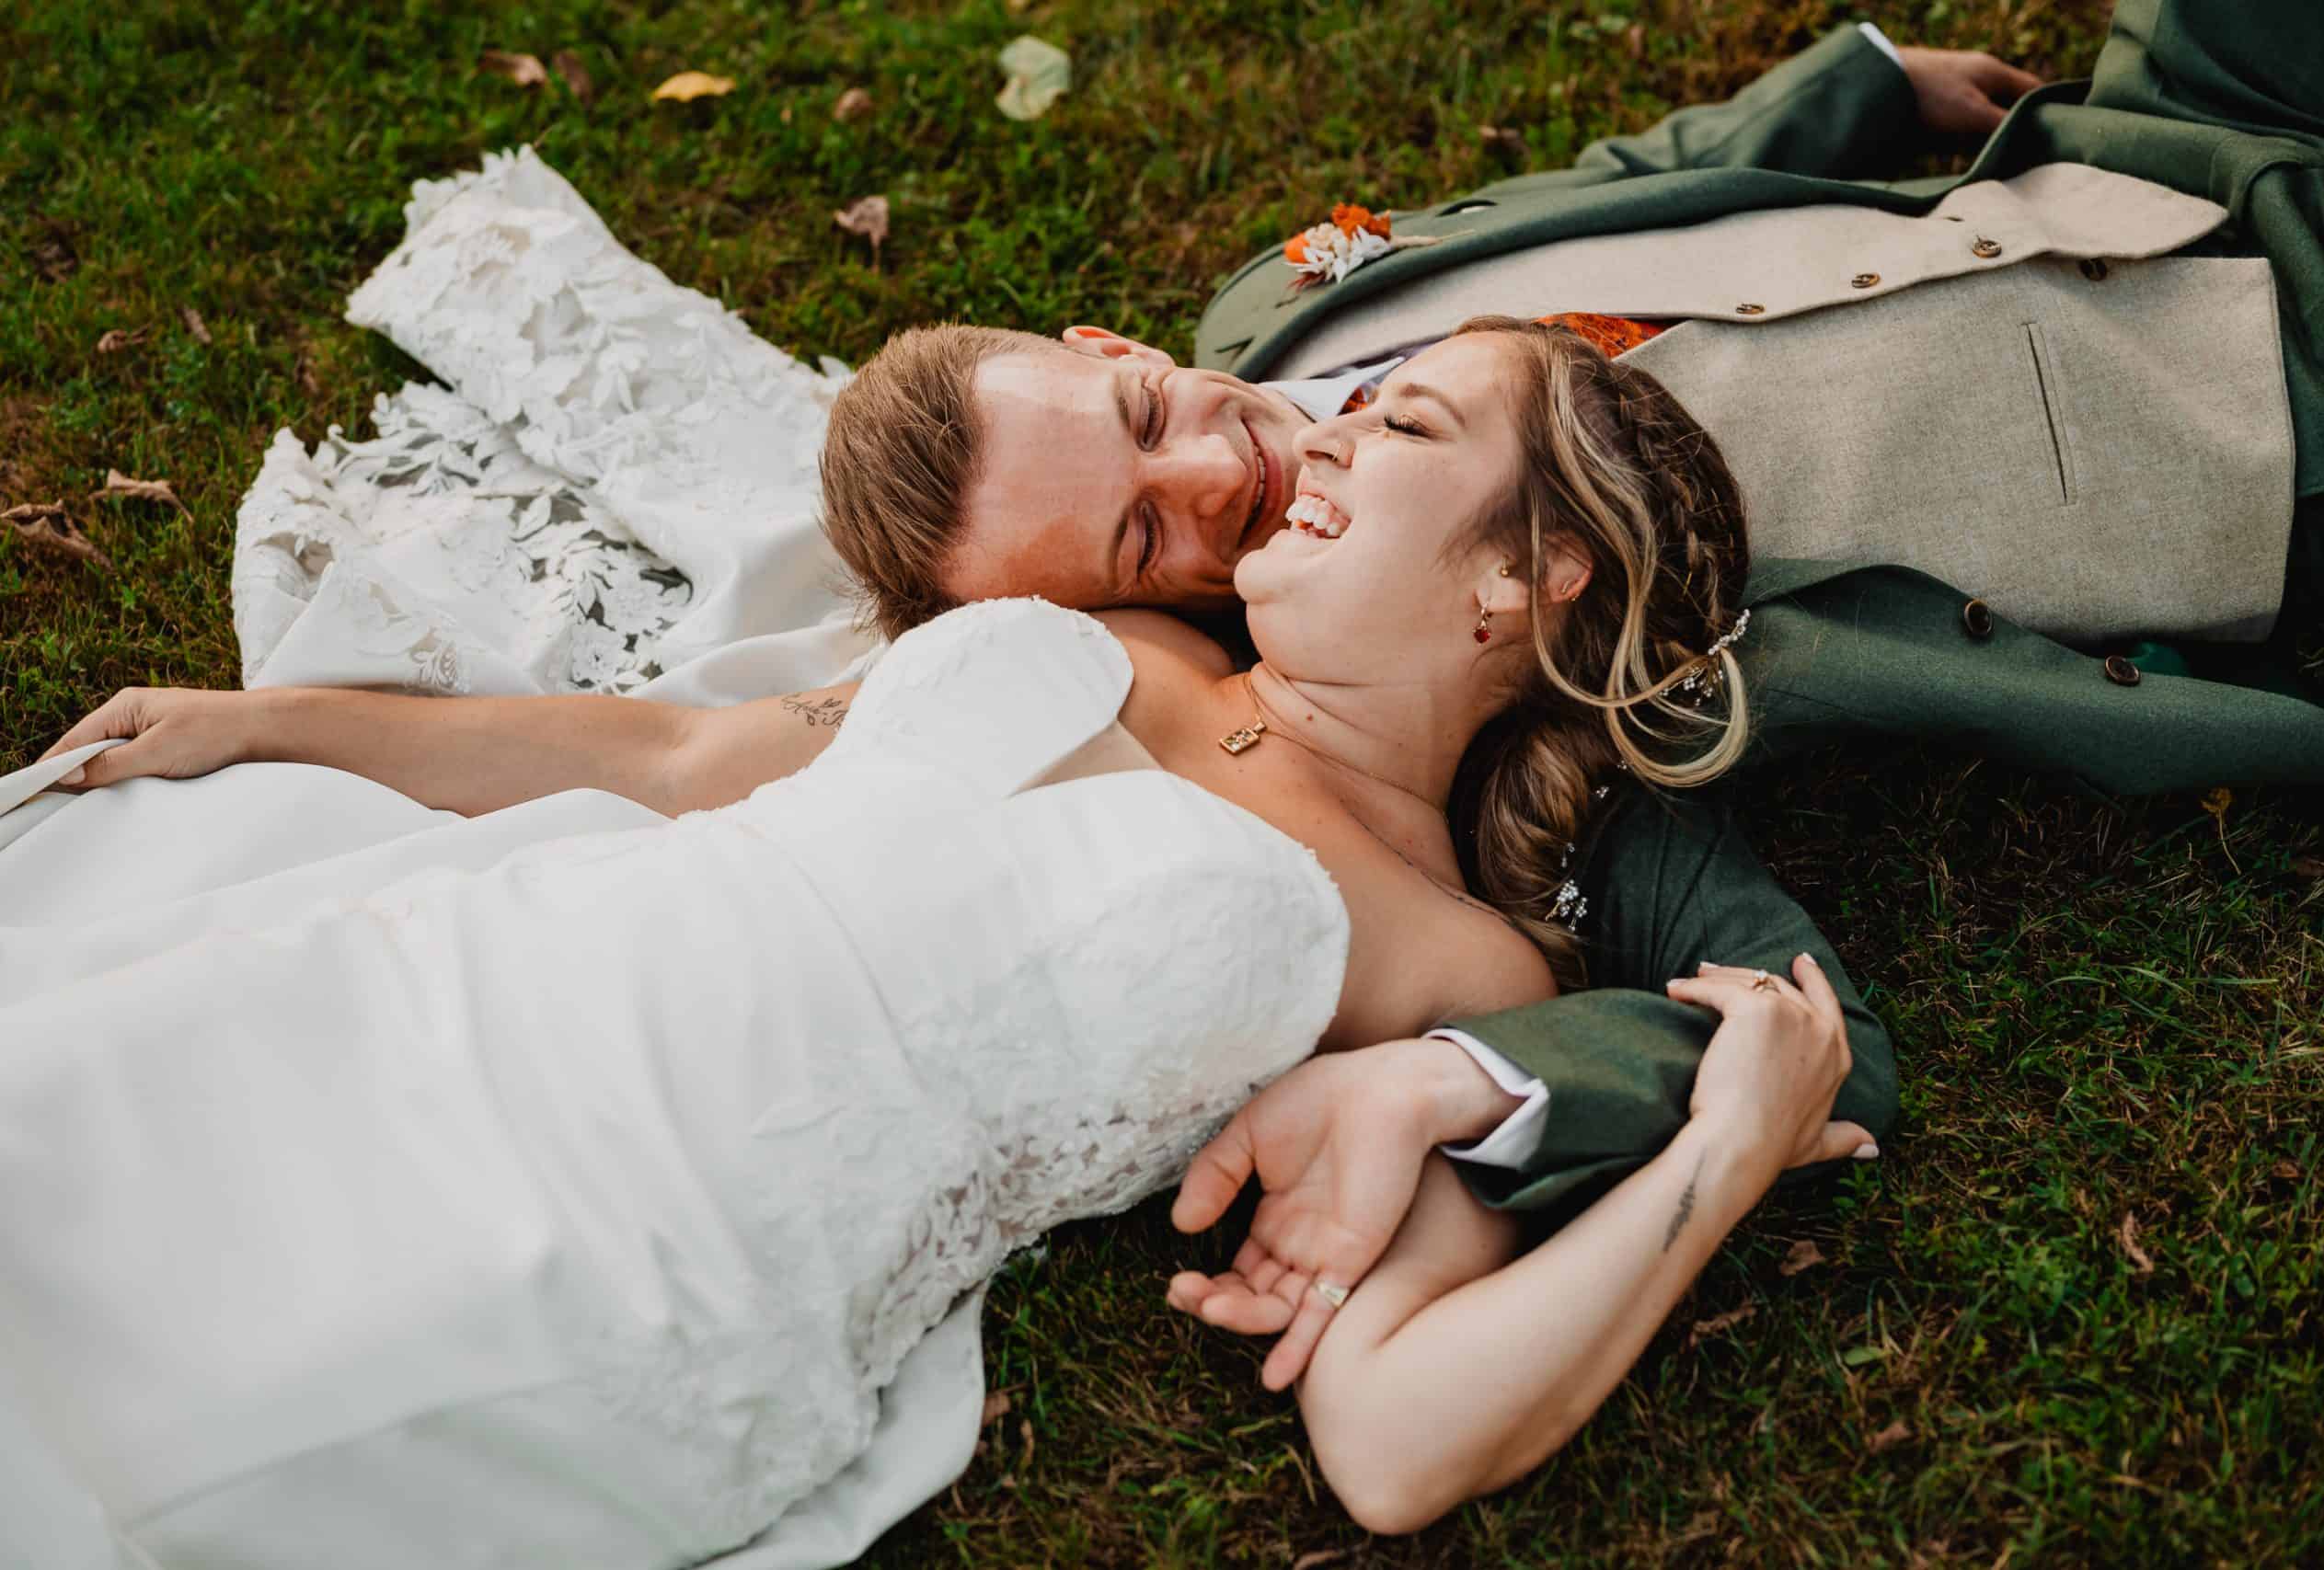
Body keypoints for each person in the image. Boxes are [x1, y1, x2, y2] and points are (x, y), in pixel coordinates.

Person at [4, 322, 1863, 1558]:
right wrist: (278, 720)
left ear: (1520, 582)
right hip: (476, 983)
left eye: (1411, 425)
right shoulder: (1136, 641)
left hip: (661, 1235)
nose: (1333, 423)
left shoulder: (1458, 981)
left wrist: (1711, 1158)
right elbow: (683, 757)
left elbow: (1385, 1442)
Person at [813, 0, 2324, 1394]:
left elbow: (1594, 207)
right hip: (2276, 417)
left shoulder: (1267, 309)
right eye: (1147, 542)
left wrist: (1862, 87)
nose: (1221, 471)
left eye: (1148, 416)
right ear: (1131, 630)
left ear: (1116, 347)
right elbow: (1805, 1033)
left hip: (2148, 144)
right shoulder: (1531, 755)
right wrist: (1459, 1077)